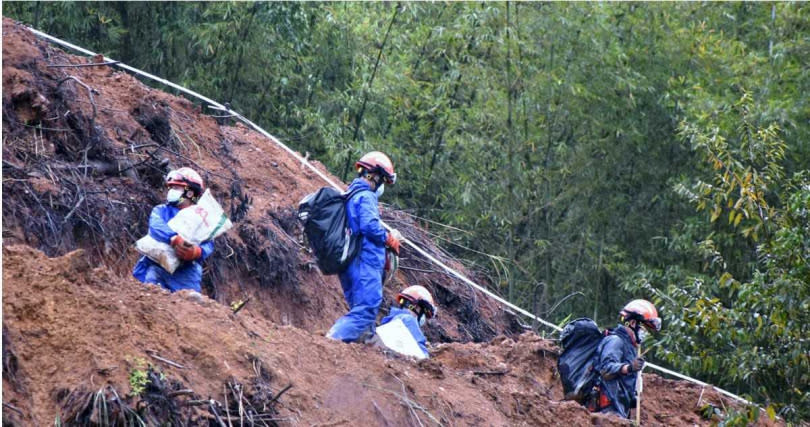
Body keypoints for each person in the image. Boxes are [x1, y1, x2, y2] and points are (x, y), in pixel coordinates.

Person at [326, 151, 402, 342]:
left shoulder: (351, 194)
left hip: (351, 263)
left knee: (363, 316)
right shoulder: (366, 196)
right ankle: (330, 342)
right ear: (374, 176)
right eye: (383, 180)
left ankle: (366, 348)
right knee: (366, 311)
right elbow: (369, 226)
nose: (382, 186)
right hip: (364, 262)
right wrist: (388, 238)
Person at [133, 167, 214, 293]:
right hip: (154, 266)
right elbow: (156, 226)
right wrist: (174, 238)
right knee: (150, 294)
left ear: (190, 193)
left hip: (185, 274)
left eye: (176, 188)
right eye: (170, 188)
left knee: (189, 304)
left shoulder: (201, 219)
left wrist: (197, 252)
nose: (171, 191)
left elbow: (208, 242)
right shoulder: (161, 210)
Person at [589, 299, 662, 418]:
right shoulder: (615, 341)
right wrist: (629, 368)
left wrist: (632, 398)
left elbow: (625, 382)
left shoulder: (630, 347)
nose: (645, 333)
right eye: (644, 328)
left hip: (618, 409)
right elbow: (605, 368)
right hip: (606, 409)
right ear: (633, 323)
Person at [375, 285, 437, 358]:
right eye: (424, 314)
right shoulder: (409, 321)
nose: (424, 319)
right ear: (417, 307)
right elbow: (423, 357)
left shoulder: (391, 319)